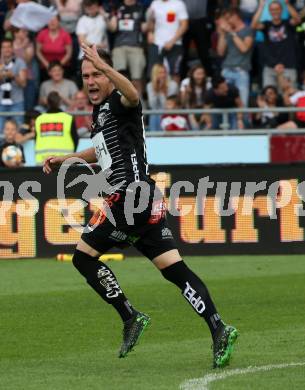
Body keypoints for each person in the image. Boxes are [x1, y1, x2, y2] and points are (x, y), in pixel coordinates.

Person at [42, 43, 238, 368]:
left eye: (96, 73)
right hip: (142, 201)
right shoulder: (101, 110)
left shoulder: (121, 102)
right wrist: (69, 157)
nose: (90, 80)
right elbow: (101, 151)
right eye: (86, 75)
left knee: (83, 257)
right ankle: (219, 328)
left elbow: (133, 94)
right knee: (175, 270)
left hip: (128, 200)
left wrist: (107, 69)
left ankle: (130, 316)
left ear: (108, 73)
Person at [251, 0, 300, 89]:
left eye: (277, 9)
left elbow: (297, 19)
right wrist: (261, 7)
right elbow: (253, 25)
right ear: (269, 11)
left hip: (287, 67)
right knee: (269, 98)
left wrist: (287, 4)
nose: (275, 11)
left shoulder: (287, 23)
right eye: (272, 10)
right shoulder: (266, 25)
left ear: (281, 10)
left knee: (288, 99)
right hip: (270, 68)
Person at [108, 0, 147, 96]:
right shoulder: (116, 7)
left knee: (137, 79)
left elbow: (144, 28)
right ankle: (118, 104)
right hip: (119, 47)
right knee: (118, 78)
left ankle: (139, 106)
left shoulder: (141, 7)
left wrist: (151, 21)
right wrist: (109, 19)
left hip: (136, 46)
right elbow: (112, 28)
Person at [217, 7, 254, 107]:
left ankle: (243, 122)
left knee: (242, 103)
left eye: (228, 18)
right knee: (227, 103)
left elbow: (244, 48)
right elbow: (220, 52)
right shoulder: (228, 32)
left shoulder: (248, 30)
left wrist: (232, 33)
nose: (227, 21)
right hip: (226, 69)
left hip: (241, 71)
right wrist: (222, 34)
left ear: (235, 16)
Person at [146, 0, 188, 83]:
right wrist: (150, 32)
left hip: (175, 44)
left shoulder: (178, 3)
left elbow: (184, 25)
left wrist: (172, 41)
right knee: (154, 72)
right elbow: (151, 21)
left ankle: (173, 95)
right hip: (157, 43)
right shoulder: (155, 3)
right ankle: (156, 96)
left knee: (175, 74)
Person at [35, 90, 78, 164]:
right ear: (60, 102)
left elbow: (36, 139)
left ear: (47, 102)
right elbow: (75, 139)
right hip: (65, 161)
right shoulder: (68, 118)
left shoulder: (39, 119)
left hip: (43, 162)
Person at [0, 38, 27, 132]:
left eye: (9, 47)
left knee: (19, 130)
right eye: (4, 47)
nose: (6, 49)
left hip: (17, 101)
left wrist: (13, 76)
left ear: (12, 48)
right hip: (0, 102)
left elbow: (23, 84)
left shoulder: (20, 62)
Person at [36, 14, 73, 80]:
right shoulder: (42, 34)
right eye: (49, 20)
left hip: (63, 66)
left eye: (54, 20)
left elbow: (69, 53)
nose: (52, 22)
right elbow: (38, 51)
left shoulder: (65, 34)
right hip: (45, 67)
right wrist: (48, 65)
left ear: (59, 22)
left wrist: (57, 67)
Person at [146, 63, 179, 130]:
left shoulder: (173, 85)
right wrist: (156, 91)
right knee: (154, 114)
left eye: (164, 72)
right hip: (156, 114)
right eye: (160, 73)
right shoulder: (150, 85)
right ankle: (154, 137)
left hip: (170, 113)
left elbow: (169, 105)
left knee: (159, 114)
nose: (163, 75)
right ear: (155, 74)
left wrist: (162, 91)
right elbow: (152, 105)